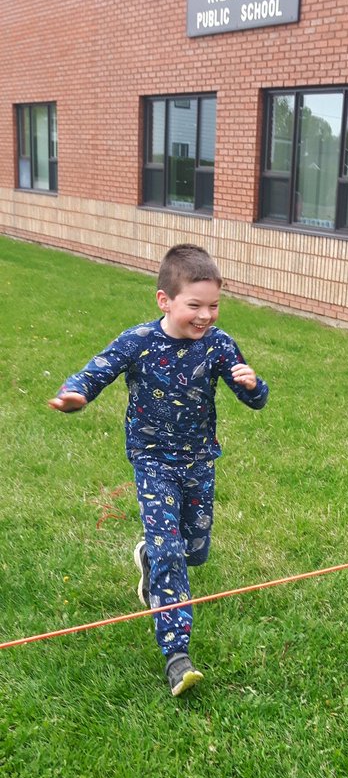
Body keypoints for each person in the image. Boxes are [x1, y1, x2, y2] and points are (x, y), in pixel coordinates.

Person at [49, 244, 269, 695]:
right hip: (152, 462)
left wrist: (254, 385)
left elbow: (252, 397)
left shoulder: (219, 344)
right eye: (195, 305)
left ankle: (149, 558)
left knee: (192, 550)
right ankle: (176, 653)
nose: (206, 315)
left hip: (199, 461)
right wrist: (76, 395)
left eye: (214, 305)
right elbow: (97, 371)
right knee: (171, 551)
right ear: (164, 300)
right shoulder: (139, 342)